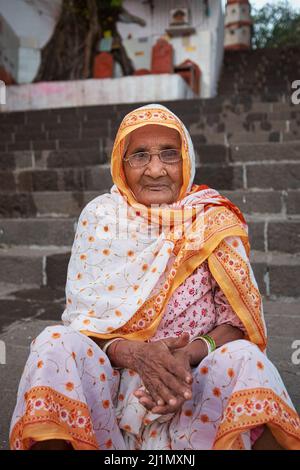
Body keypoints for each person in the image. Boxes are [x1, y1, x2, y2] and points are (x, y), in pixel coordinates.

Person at [10, 104, 300, 450]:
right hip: (111, 382)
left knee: (248, 359)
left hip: (192, 383)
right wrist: (135, 355)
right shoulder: (101, 217)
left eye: (169, 155)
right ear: (121, 164)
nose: (155, 170)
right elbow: (83, 325)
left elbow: (238, 322)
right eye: (140, 156)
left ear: (186, 160)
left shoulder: (211, 219)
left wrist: (189, 354)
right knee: (53, 342)